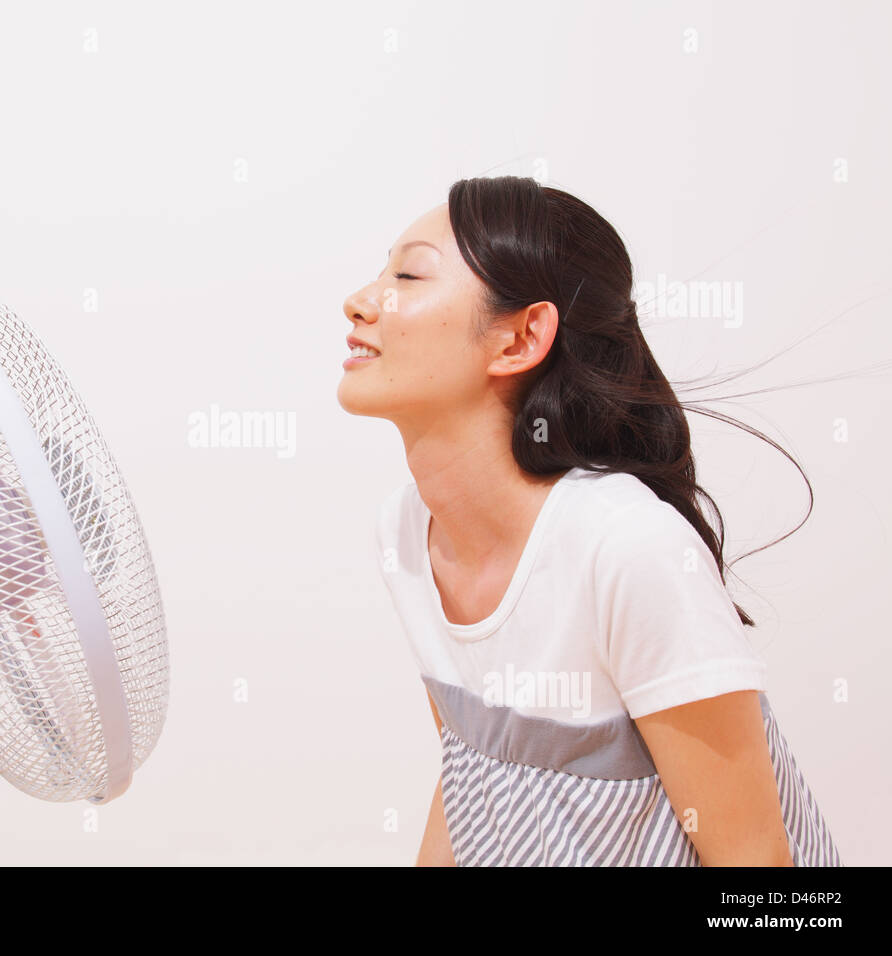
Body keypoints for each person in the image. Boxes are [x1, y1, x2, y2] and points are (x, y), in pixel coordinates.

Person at [339, 176, 841, 866]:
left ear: (520, 338)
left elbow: (758, 869)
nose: (362, 301)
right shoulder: (405, 532)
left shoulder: (627, 547)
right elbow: (471, 773)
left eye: (407, 275)